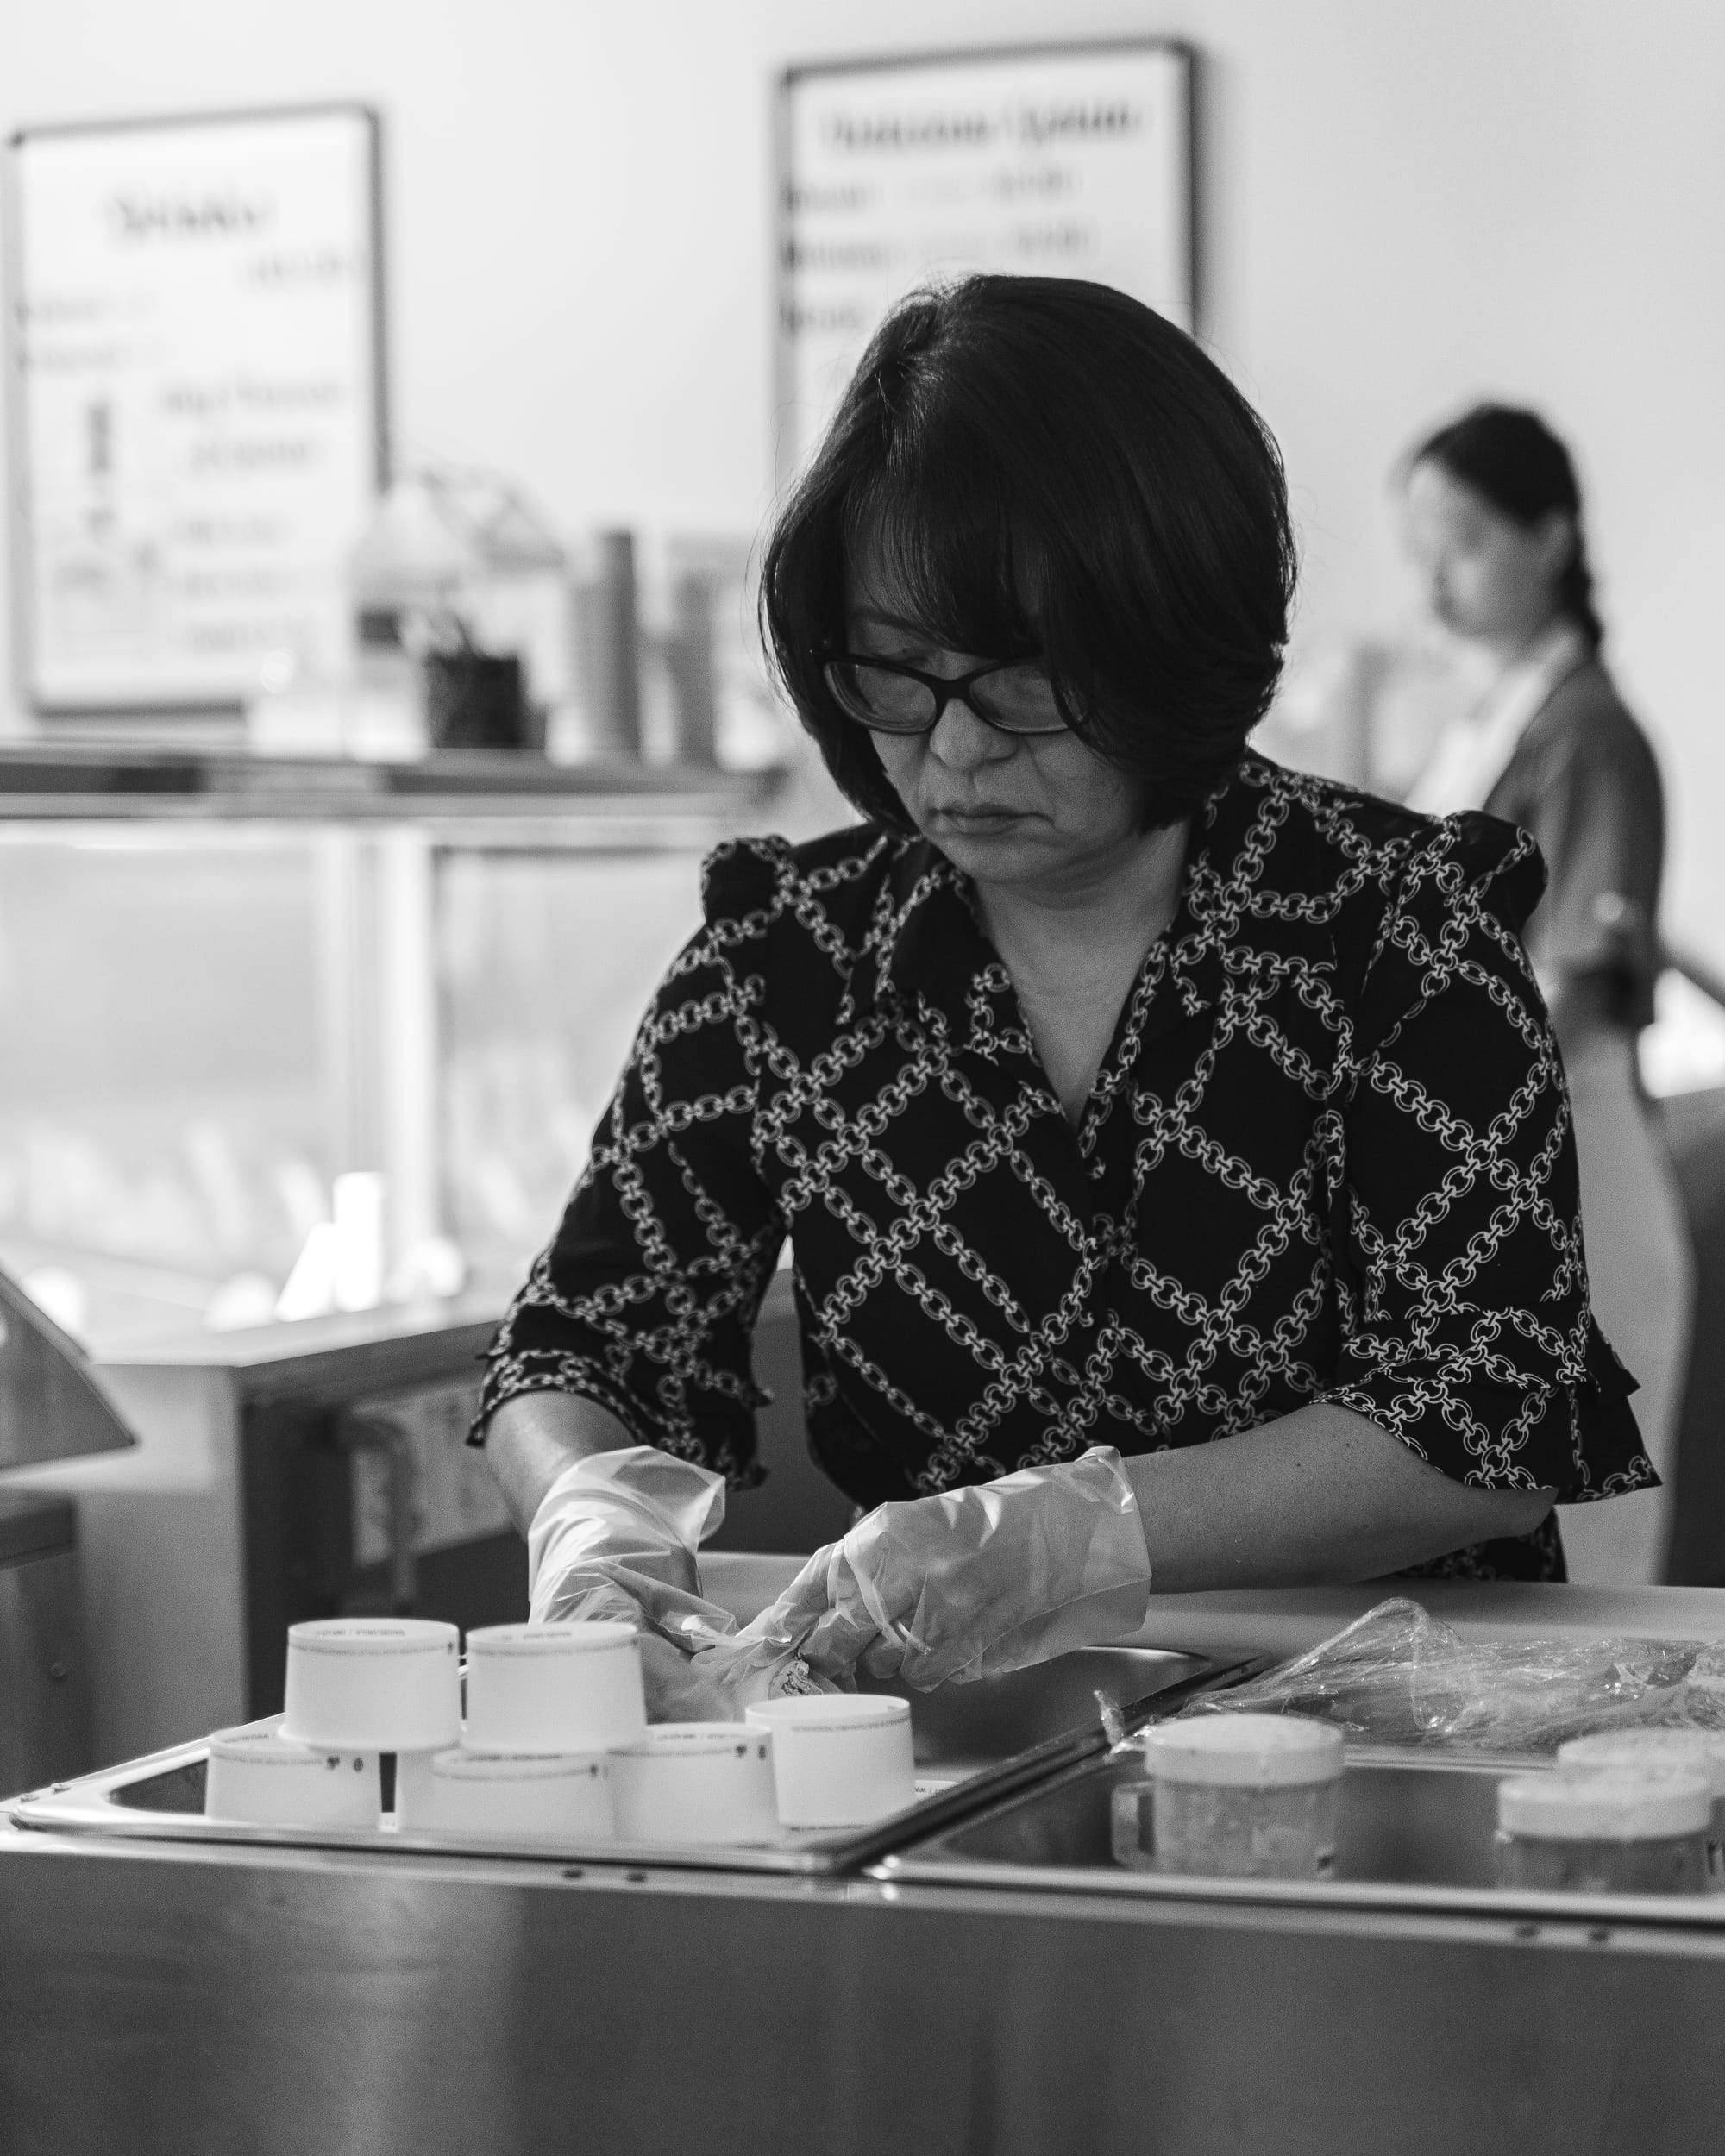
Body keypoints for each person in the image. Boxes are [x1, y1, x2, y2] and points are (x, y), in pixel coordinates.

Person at [475, 279, 1652, 1710]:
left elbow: (1485, 1402)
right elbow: (585, 1340)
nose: (955, 754)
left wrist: (1073, 1530)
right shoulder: (786, 966)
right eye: (894, 680)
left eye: (1020, 683)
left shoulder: (1391, 933)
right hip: (960, 1733)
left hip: (1390, 1724)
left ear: (1168, 639)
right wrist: (591, 1516)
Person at [1402, 404, 1688, 1586]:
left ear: (1554, 535)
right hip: (1501, 1174)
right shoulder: (1490, 723)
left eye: (1463, 540)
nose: (1434, 579)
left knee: (1592, 1573)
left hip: (1570, 1169)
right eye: (1419, 546)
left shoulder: (1587, 736)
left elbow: (1565, 991)